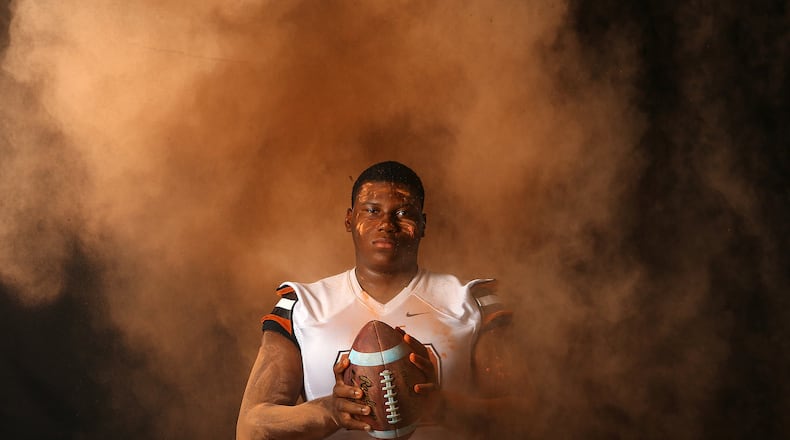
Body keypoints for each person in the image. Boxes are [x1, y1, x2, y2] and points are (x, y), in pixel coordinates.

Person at [237, 161, 527, 440]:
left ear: (423, 224)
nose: (386, 224)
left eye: (402, 213)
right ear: (349, 219)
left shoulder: (470, 301)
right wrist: (329, 411)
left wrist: (444, 407)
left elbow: (525, 417)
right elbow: (251, 427)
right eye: (372, 210)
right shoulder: (303, 306)